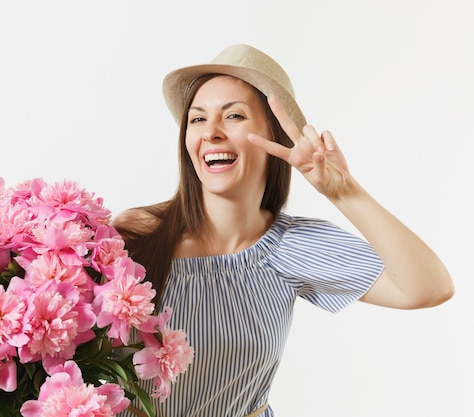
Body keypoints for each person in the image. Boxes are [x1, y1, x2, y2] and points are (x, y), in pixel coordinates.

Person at [112, 44, 454, 417]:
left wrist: (343, 192)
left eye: (234, 116)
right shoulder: (137, 235)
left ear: (275, 137)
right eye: (197, 119)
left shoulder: (292, 246)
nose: (211, 132)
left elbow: (429, 287)